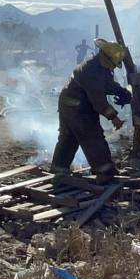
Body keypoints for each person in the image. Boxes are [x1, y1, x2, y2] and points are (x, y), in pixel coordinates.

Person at [51, 38, 132, 183]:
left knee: (69, 138)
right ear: (104, 56)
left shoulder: (100, 67)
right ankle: (105, 171)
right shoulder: (91, 71)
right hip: (77, 107)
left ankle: (59, 170)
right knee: (92, 136)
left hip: (70, 104)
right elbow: (98, 99)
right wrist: (114, 117)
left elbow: (107, 84)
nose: (112, 68)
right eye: (112, 64)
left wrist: (121, 91)